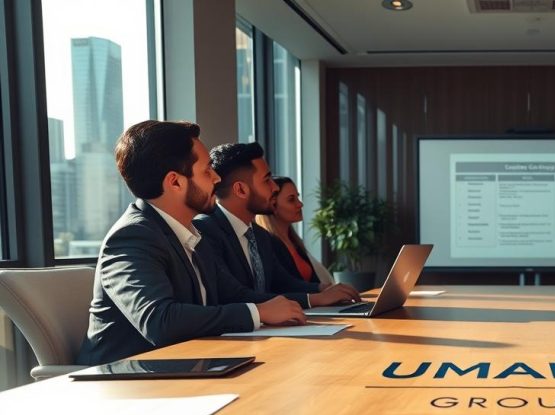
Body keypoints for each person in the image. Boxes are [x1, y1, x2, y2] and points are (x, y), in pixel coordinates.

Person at [78, 121, 308, 366]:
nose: (217, 178)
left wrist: (284, 307)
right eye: (207, 171)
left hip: (182, 367)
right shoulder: (132, 237)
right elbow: (160, 321)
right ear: (175, 182)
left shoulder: (192, 233)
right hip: (128, 385)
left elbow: (234, 294)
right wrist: (258, 312)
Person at [194, 143, 358, 305]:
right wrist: (314, 299)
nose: (274, 188)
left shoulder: (260, 235)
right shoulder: (205, 231)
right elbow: (234, 296)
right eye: (267, 181)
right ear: (241, 190)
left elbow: (283, 283)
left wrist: (324, 289)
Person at [254, 176, 334, 285]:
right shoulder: (267, 244)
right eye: (291, 199)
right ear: (273, 205)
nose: (300, 204)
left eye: (297, 197)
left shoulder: (295, 241)